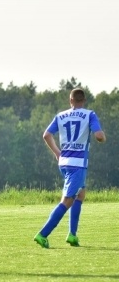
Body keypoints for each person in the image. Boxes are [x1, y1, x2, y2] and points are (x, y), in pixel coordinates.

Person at [34, 88, 106, 248]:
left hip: (64, 162)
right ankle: (43, 234)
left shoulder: (61, 115)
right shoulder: (89, 114)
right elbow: (99, 136)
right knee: (67, 201)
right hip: (78, 164)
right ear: (84, 100)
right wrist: (102, 137)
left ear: (71, 100)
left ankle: (72, 235)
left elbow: (46, 135)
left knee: (80, 195)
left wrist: (57, 153)